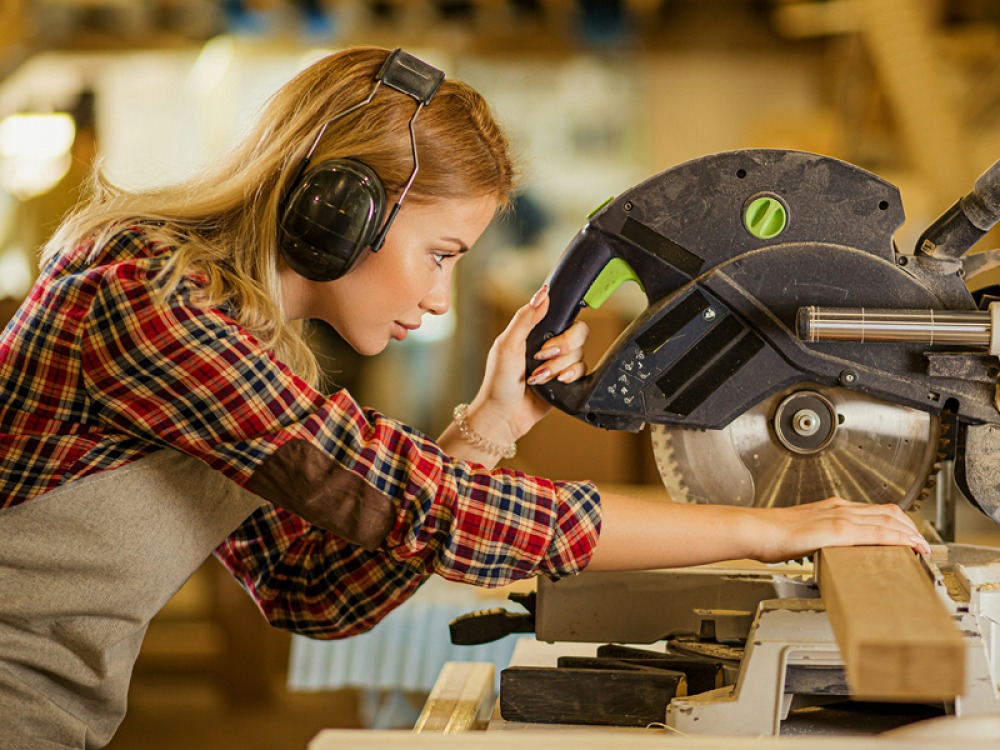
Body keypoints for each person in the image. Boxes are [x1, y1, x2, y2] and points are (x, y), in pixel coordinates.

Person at [0, 46, 928, 750]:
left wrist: (490, 426)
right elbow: (418, 502)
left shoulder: (242, 344)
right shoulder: (144, 304)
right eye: (438, 255)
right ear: (337, 209)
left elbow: (310, 588)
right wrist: (770, 528)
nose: (441, 298)